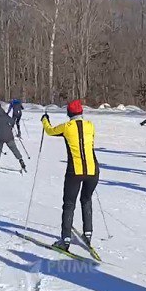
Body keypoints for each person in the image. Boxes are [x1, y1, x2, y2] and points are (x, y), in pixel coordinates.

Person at [41, 100, 98, 251]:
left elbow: (50, 130)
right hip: (93, 171)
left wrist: (45, 120)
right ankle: (88, 233)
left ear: (69, 113)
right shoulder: (90, 125)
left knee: (69, 204)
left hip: (75, 172)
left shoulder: (66, 127)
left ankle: (65, 240)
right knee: (86, 200)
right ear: (81, 112)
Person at [0, 103, 26, 171]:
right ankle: (21, 160)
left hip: (0, 137)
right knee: (14, 148)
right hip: (9, 136)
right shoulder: (5, 115)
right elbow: (12, 122)